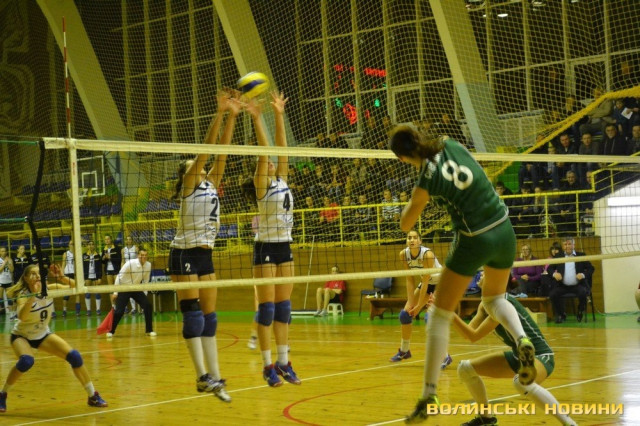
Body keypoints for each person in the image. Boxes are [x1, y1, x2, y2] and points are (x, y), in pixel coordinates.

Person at [388, 125, 537, 423]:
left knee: (439, 315)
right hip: (504, 228)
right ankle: (521, 338)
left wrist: (410, 203)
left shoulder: (425, 180)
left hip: (474, 238)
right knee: (494, 298)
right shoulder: (448, 143)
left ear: (402, 158)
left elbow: (406, 224)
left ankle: (429, 393)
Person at [168, 91, 240, 402]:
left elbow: (221, 152)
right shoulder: (189, 185)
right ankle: (201, 377)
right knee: (194, 316)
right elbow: (207, 152)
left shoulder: (211, 183)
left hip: (205, 254)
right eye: (194, 165)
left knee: (210, 318)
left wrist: (232, 116)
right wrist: (219, 112)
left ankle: (216, 377)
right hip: (183, 252)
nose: (199, 167)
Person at [452, 273, 577, 426]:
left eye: (486, 273)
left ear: (495, 281)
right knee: (465, 369)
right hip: (518, 357)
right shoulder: (485, 305)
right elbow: (469, 334)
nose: (482, 274)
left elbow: (474, 335)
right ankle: (486, 418)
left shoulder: (501, 305)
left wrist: (448, 312)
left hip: (541, 356)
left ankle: (569, 423)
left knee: (522, 383)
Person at [241, 91, 301, 387]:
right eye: (267, 163)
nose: (273, 163)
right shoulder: (262, 184)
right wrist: (256, 118)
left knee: (283, 308)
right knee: (266, 309)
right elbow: (266, 152)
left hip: (285, 246)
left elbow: (282, 149)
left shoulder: (282, 180)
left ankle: (283, 362)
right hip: (265, 247)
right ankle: (267, 366)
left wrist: (278, 114)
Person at [0, 264, 108, 413]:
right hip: (21, 336)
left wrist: (62, 277)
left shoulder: (49, 289)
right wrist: (33, 296)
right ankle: (2, 394)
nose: (37, 276)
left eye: (39, 273)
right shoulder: (23, 295)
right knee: (26, 361)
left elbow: (78, 287)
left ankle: (92, 396)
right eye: (32, 274)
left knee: (75, 357)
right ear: (25, 278)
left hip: (42, 334)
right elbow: (22, 317)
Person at [389, 230, 452, 369]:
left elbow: (425, 280)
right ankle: (404, 351)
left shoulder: (427, 254)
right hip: (426, 283)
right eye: (409, 238)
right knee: (405, 315)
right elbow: (409, 279)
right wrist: (411, 303)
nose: (412, 240)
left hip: (440, 284)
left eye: (415, 238)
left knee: (430, 318)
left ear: (420, 241)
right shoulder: (403, 254)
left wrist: (418, 306)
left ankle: (445, 356)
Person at [107, 248, 155, 338]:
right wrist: (115, 292)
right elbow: (119, 276)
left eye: (145, 255)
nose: (144, 257)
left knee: (147, 305)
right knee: (119, 311)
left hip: (136, 288)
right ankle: (111, 331)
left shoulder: (148, 265)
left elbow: (146, 280)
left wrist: (144, 294)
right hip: (124, 288)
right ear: (138, 255)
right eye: (142, 255)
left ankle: (149, 330)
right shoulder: (130, 263)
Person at [548, 237, 594, 323]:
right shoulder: (558, 256)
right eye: (565, 244)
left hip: (577, 285)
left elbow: (591, 268)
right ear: (562, 246)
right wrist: (554, 274)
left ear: (574, 245)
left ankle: (580, 310)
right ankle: (561, 314)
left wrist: (583, 275)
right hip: (562, 286)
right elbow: (549, 269)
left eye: (569, 244)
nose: (567, 246)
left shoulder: (581, 255)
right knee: (553, 294)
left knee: (583, 292)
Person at [82, 240, 103, 316]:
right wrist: (83, 278)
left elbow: (100, 267)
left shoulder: (97, 255)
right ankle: (88, 310)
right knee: (87, 293)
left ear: (94, 246)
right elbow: (82, 267)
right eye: (89, 244)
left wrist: (100, 277)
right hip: (87, 276)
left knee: (97, 293)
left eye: (92, 244)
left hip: (96, 276)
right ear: (87, 246)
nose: (91, 246)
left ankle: (98, 309)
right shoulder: (84, 255)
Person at [121, 235, 141, 314]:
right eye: (127, 239)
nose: (128, 241)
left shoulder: (136, 248)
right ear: (125, 241)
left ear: (132, 240)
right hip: (127, 271)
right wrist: (122, 271)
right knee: (128, 289)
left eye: (130, 239)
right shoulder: (123, 250)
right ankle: (133, 308)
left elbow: (139, 259)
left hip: (135, 270)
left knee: (136, 289)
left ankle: (140, 308)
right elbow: (123, 261)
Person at [61, 240, 80, 317]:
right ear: (69, 245)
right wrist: (62, 276)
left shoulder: (77, 253)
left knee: (77, 292)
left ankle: (77, 311)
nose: (72, 245)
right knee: (66, 292)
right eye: (71, 244)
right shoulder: (65, 254)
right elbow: (63, 264)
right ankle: (64, 310)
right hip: (67, 273)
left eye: (73, 244)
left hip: (75, 274)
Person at [0, 246, 14, 318]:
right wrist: (4, 262)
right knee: (0, 299)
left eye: (5, 251)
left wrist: (8, 263)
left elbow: (12, 270)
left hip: (8, 281)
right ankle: (2, 313)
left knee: (10, 299)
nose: (4, 252)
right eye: (2, 251)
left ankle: (11, 314)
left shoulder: (10, 259)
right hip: (1, 281)